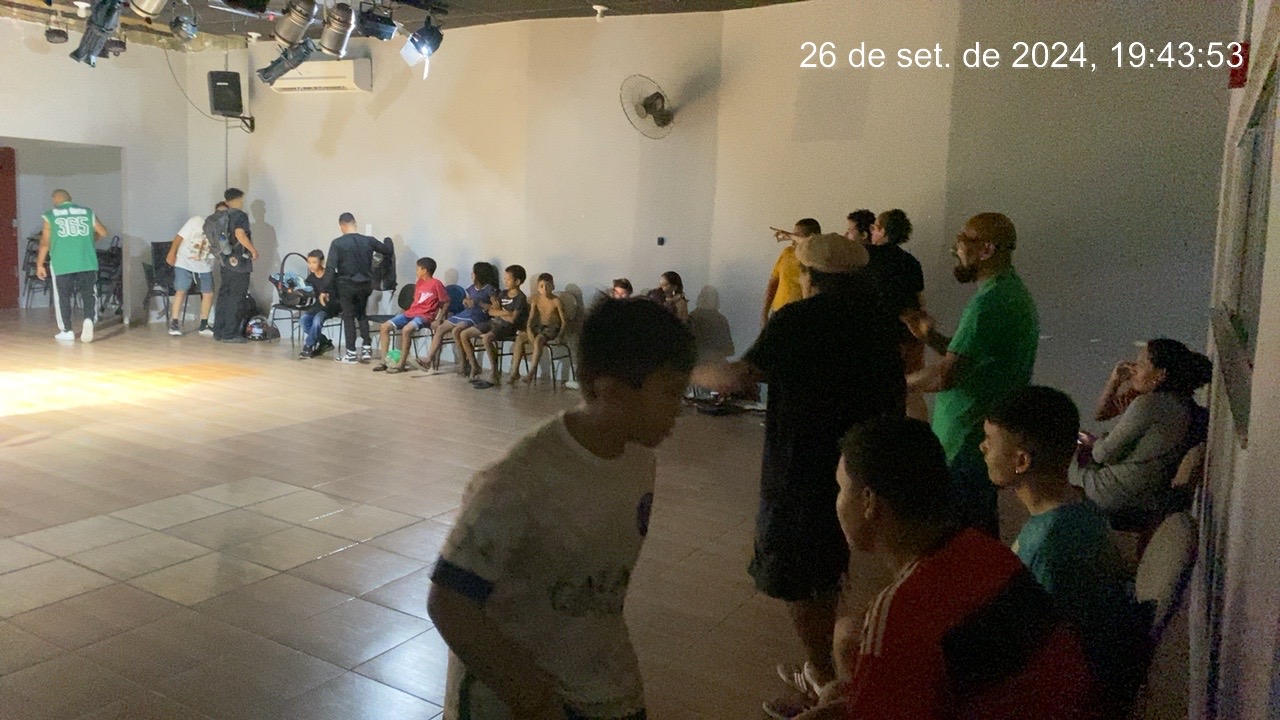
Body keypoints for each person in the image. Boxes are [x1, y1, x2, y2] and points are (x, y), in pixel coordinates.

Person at [428, 298, 697, 720]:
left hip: (604, 686)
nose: (679, 408)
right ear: (605, 386)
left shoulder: (639, 458)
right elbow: (449, 602)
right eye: (669, 391)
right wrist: (533, 699)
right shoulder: (520, 479)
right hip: (517, 700)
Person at [692, 233, 905, 714]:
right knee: (831, 559)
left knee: (799, 571)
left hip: (803, 465)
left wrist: (687, 369)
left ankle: (824, 681)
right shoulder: (879, 319)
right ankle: (830, 671)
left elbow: (739, 377)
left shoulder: (799, 318)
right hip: (860, 463)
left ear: (809, 276)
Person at [785, 416, 1097, 720]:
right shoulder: (980, 548)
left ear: (869, 502)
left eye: (841, 488)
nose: (838, 502)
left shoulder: (901, 609)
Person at [983, 386, 1151, 717]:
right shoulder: (1077, 505)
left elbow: (1026, 659)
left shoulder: (1049, 546)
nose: (982, 447)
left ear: (1021, 461)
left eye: (989, 440)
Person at [904, 212, 1039, 537]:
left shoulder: (988, 303)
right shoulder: (1010, 292)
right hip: (979, 435)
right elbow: (969, 360)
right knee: (976, 531)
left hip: (967, 438)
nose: (956, 249)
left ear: (986, 250)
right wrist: (930, 337)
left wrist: (897, 383)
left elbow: (946, 375)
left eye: (963, 241)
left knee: (960, 536)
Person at [1072, 339, 1212, 524]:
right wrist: (1115, 381)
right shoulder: (1178, 402)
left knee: (1055, 466)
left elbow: (1102, 454)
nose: (1133, 368)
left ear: (1160, 374)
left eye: (1141, 364)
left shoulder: (1148, 404)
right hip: (1143, 490)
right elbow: (1101, 414)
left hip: (1114, 493)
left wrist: (1093, 441)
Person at [865, 209, 927, 421]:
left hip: (880, 335)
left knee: (878, 392)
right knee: (912, 392)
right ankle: (918, 434)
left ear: (883, 231)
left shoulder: (867, 257)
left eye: (874, 227)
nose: (872, 232)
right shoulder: (911, 262)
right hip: (910, 334)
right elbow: (920, 301)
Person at [36, 189, 109, 343]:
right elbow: (103, 232)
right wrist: (91, 240)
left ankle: (67, 330)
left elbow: (45, 242)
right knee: (89, 293)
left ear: (55, 199)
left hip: (62, 262)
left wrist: (40, 264)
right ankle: (89, 319)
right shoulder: (87, 212)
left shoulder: (51, 215)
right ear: (70, 198)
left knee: (63, 296)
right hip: (86, 260)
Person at [325, 212, 392, 364]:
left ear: (341, 225)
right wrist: (388, 240)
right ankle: (367, 348)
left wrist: (325, 289)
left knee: (348, 317)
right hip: (366, 285)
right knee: (362, 314)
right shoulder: (368, 241)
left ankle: (351, 353)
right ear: (355, 223)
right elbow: (387, 250)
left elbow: (330, 268)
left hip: (346, 285)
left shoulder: (337, 243)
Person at [371, 257, 449, 373]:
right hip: (410, 313)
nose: (416, 271)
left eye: (418, 269)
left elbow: (446, 302)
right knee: (384, 327)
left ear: (424, 270)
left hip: (424, 316)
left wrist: (439, 319)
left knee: (407, 329)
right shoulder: (419, 283)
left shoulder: (436, 284)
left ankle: (401, 364)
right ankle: (384, 361)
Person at [427, 262, 500, 372]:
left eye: (473, 273)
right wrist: (465, 302)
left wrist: (480, 304)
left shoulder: (490, 289)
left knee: (457, 330)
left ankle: (465, 362)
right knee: (440, 328)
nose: (471, 274)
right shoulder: (471, 288)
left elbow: (495, 308)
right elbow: (468, 299)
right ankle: (428, 359)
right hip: (466, 313)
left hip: (479, 315)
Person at [166, 201, 224, 337]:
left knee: (208, 292)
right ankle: (174, 322)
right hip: (184, 260)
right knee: (181, 290)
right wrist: (172, 252)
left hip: (204, 263)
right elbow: (179, 237)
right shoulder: (196, 221)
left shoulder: (222, 230)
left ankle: (204, 324)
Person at [465, 264, 530, 387]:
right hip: (494, 322)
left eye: (508, 279)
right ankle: (474, 366)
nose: (505, 281)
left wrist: (500, 313)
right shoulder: (503, 294)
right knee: (465, 334)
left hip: (507, 327)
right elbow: (491, 312)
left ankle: (494, 370)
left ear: (517, 281)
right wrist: (506, 312)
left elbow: (512, 319)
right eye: (504, 279)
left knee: (486, 338)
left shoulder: (520, 298)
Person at [211, 188, 259, 344]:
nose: (243, 202)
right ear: (237, 200)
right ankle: (229, 333)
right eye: (241, 199)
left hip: (225, 262)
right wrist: (253, 250)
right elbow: (240, 234)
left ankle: (218, 331)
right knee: (236, 298)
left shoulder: (222, 216)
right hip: (239, 262)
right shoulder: (240, 215)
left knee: (224, 296)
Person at [763, 218, 821, 327]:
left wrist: (790, 236)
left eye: (796, 235)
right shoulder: (787, 252)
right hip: (778, 312)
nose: (791, 237)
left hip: (802, 315)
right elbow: (773, 283)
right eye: (792, 234)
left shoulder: (817, 257)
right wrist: (764, 314)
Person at [512, 273, 567, 385]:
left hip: (552, 328)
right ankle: (515, 372)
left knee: (539, 340)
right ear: (538, 288)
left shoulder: (556, 301)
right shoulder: (536, 300)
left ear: (553, 286)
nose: (545, 289)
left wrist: (560, 335)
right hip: (539, 327)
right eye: (541, 286)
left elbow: (564, 322)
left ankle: (531, 373)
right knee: (520, 338)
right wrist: (529, 330)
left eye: (548, 286)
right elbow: (531, 319)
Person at [298, 249, 339, 359]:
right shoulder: (311, 278)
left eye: (314, 262)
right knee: (303, 321)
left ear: (321, 262)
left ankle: (308, 346)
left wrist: (329, 296)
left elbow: (339, 293)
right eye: (309, 262)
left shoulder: (331, 275)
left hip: (331, 306)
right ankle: (325, 342)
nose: (311, 265)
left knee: (317, 320)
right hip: (317, 306)